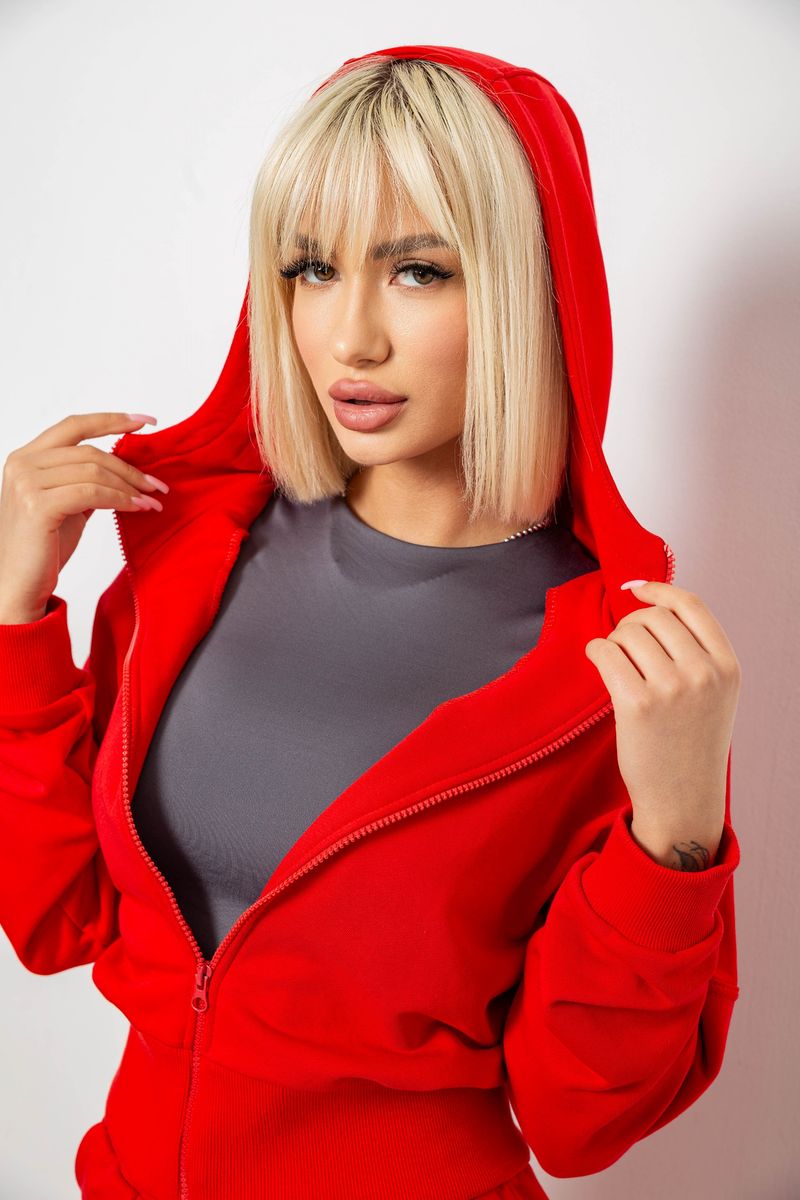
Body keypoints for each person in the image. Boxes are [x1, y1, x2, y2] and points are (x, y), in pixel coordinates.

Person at [0, 44, 742, 1200]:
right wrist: (17, 622)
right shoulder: (188, 559)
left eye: (417, 272)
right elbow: (58, 918)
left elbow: (579, 1120)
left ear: (527, 286)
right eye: (310, 267)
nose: (348, 337)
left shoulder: (617, 667)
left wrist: (677, 837)